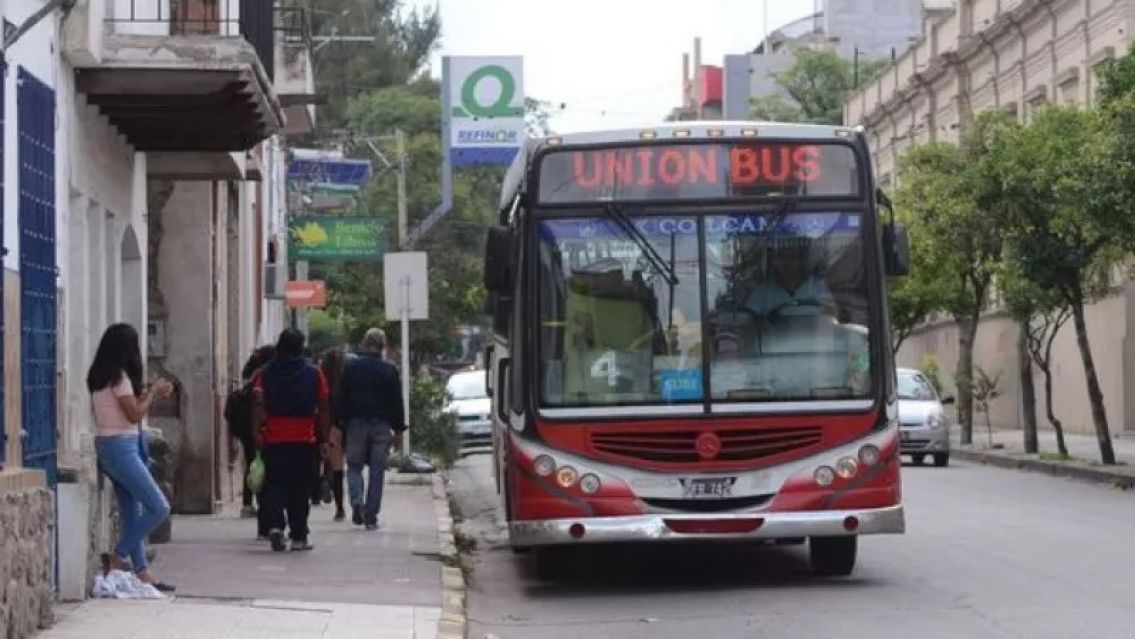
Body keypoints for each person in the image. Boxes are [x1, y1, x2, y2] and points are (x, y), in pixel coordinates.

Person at [88, 323, 175, 591]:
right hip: (121, 447)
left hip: (111, 446)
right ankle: (117, 557)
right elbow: (134, 414)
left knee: (132, 511)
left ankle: (142, 572)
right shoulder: (119, 378)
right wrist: (153, 394)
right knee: (159, 506)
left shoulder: (100, 376)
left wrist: (146, 391)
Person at [251, 329, 331, 552]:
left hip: (274, 437)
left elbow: (258, 403)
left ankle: (276, 526)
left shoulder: (264, 373)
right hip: (304, 439)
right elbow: (323, 407)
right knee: (300, 489)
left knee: (274, 484)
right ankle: (298, 536)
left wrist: (256, 432)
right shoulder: (315, 374)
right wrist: (325, 440)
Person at [335, 328, 406, 530]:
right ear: (383, 346)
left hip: (356, 423)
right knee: (377, 470)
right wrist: (398, 430)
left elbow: (341, 398)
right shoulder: (390, 370)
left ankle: (357, 502)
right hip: (381, 426)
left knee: (354, 466)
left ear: (364, 344)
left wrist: (338, 424)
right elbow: (396, 402)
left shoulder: (351, 367)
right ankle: (371, 516)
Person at [225, 345, 276, 537]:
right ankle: (261, 509)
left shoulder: (251, 372)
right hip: (258, 428)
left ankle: (247, 503)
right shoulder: (264, 375)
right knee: (261, 466)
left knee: (252, 463)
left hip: (246, 427)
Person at [746, 243, 835, 317]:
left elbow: (834, 315)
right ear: (774, 261)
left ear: (802, 260)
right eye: (781, 257)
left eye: (792, 257)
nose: (786, 262)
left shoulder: (819, 288)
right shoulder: (763, 292)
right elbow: (748, 320)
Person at [320, 348, 347, 521]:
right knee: (350, 468)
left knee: (335, 468)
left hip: (331, 427)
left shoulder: (322, 379)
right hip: (348, 425)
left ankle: (339, 508)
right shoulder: (348, 378)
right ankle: (354, 501)